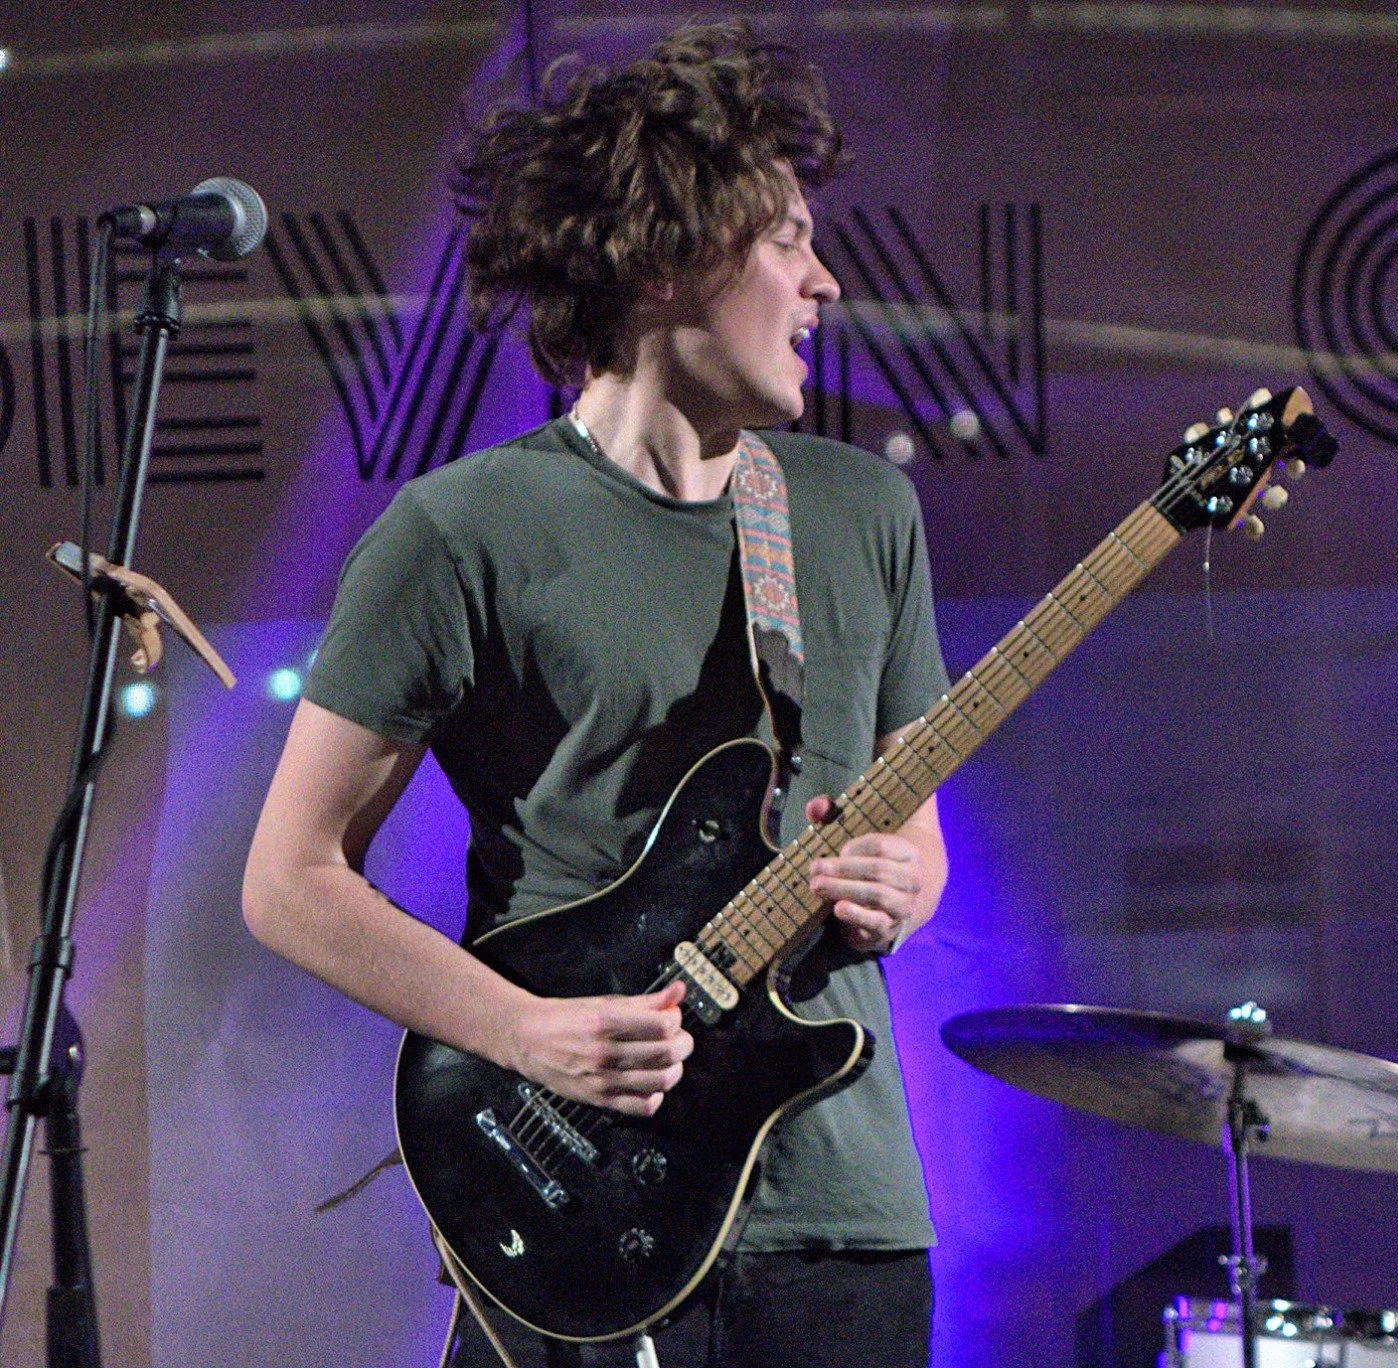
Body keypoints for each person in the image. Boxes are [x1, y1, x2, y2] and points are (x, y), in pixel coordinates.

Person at [242, 23, 949, 1368]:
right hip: (579, 1209)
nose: (826, 279)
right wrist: (527, 1037)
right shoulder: (459, 534)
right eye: (789, 238)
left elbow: (917, 831)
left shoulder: (863, 512)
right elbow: (288, 880)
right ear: (673, 252)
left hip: (845, 1225)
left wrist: (905, 883)